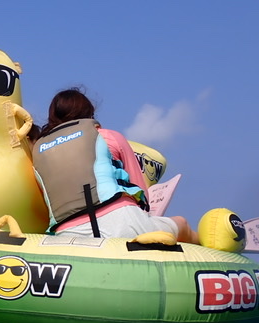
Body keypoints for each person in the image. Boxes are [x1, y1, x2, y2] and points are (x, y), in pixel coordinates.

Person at [31, 87, 200, 244]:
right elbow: (140, 192)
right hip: (124, 222)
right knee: (182, 224)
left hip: (67, 234)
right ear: (89, 114)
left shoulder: (38, 152)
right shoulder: (107, 136)